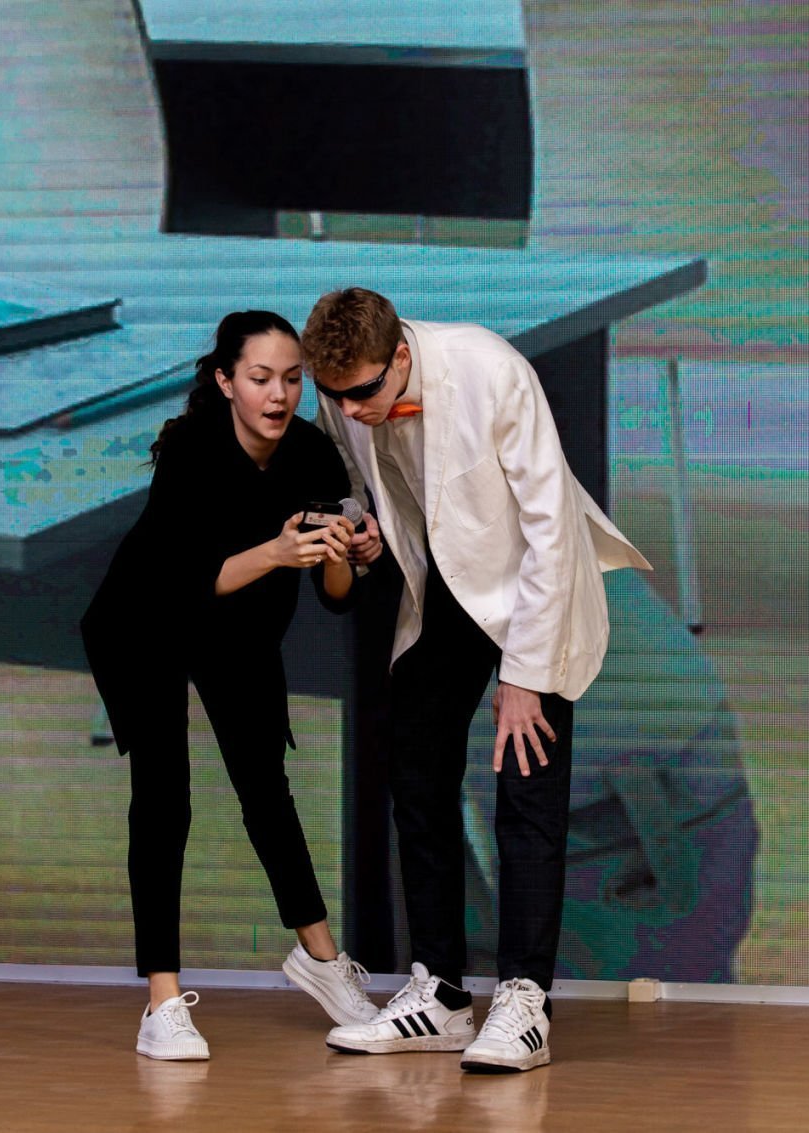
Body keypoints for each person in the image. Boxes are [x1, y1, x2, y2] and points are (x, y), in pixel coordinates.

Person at [302, 288, 650, 1073]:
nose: (350, 410)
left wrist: (524, 674)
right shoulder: (345, 393)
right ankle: (441, 995)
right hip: (448, 584)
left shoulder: (492, 369)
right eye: (335, 395)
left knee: (526, 784)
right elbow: (362, 482)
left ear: (400, 355)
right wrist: (361, 526)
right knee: (416, 771)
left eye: (363, 392)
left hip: (534, 581)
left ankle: (526, 1001)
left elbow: (551, 529)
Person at [81, 311, 383, 1061]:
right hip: (149, 615)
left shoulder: (311, 452)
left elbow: (337, 597)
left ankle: (320, 959)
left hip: (237, 626)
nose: (279, 395)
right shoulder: (192, 449)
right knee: (164, 796)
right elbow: (186, 581)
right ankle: (162, 1004)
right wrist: (277, 552)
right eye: (260, 378)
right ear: (225, 381)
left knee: (265, 787)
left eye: (293, 379)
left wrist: (346, 551)